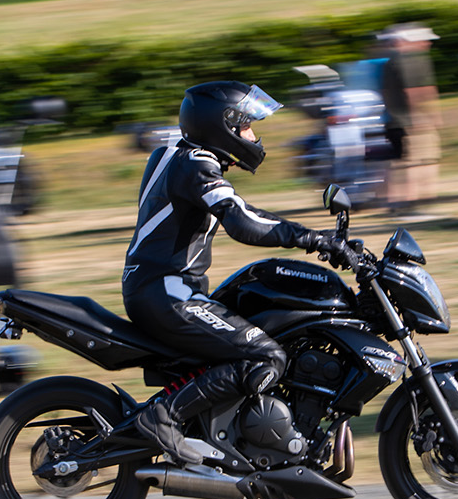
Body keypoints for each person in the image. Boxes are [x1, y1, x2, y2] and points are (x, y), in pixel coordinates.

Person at [122, 81, 356, 465]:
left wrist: (319, 238)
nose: (252, 136)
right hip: (168, 295)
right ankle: (163, 416)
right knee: (266, 356)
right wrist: (313, 238)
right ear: (221, 127)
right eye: (245, 126)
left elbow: (242, 211)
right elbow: (242, 221)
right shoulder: (196, 164)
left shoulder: (172, 155)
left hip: (158, 290)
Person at [378, 23, 442, 214]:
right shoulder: (413, 60)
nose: (427, 43)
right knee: (418, 162)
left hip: (393, 120)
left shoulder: (390, 62)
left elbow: (385, 92)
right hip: (413, 121)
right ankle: (412, 204)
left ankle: (396, 204)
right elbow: (416, 91)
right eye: (424, 40)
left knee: (399, 163)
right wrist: (428, 116)